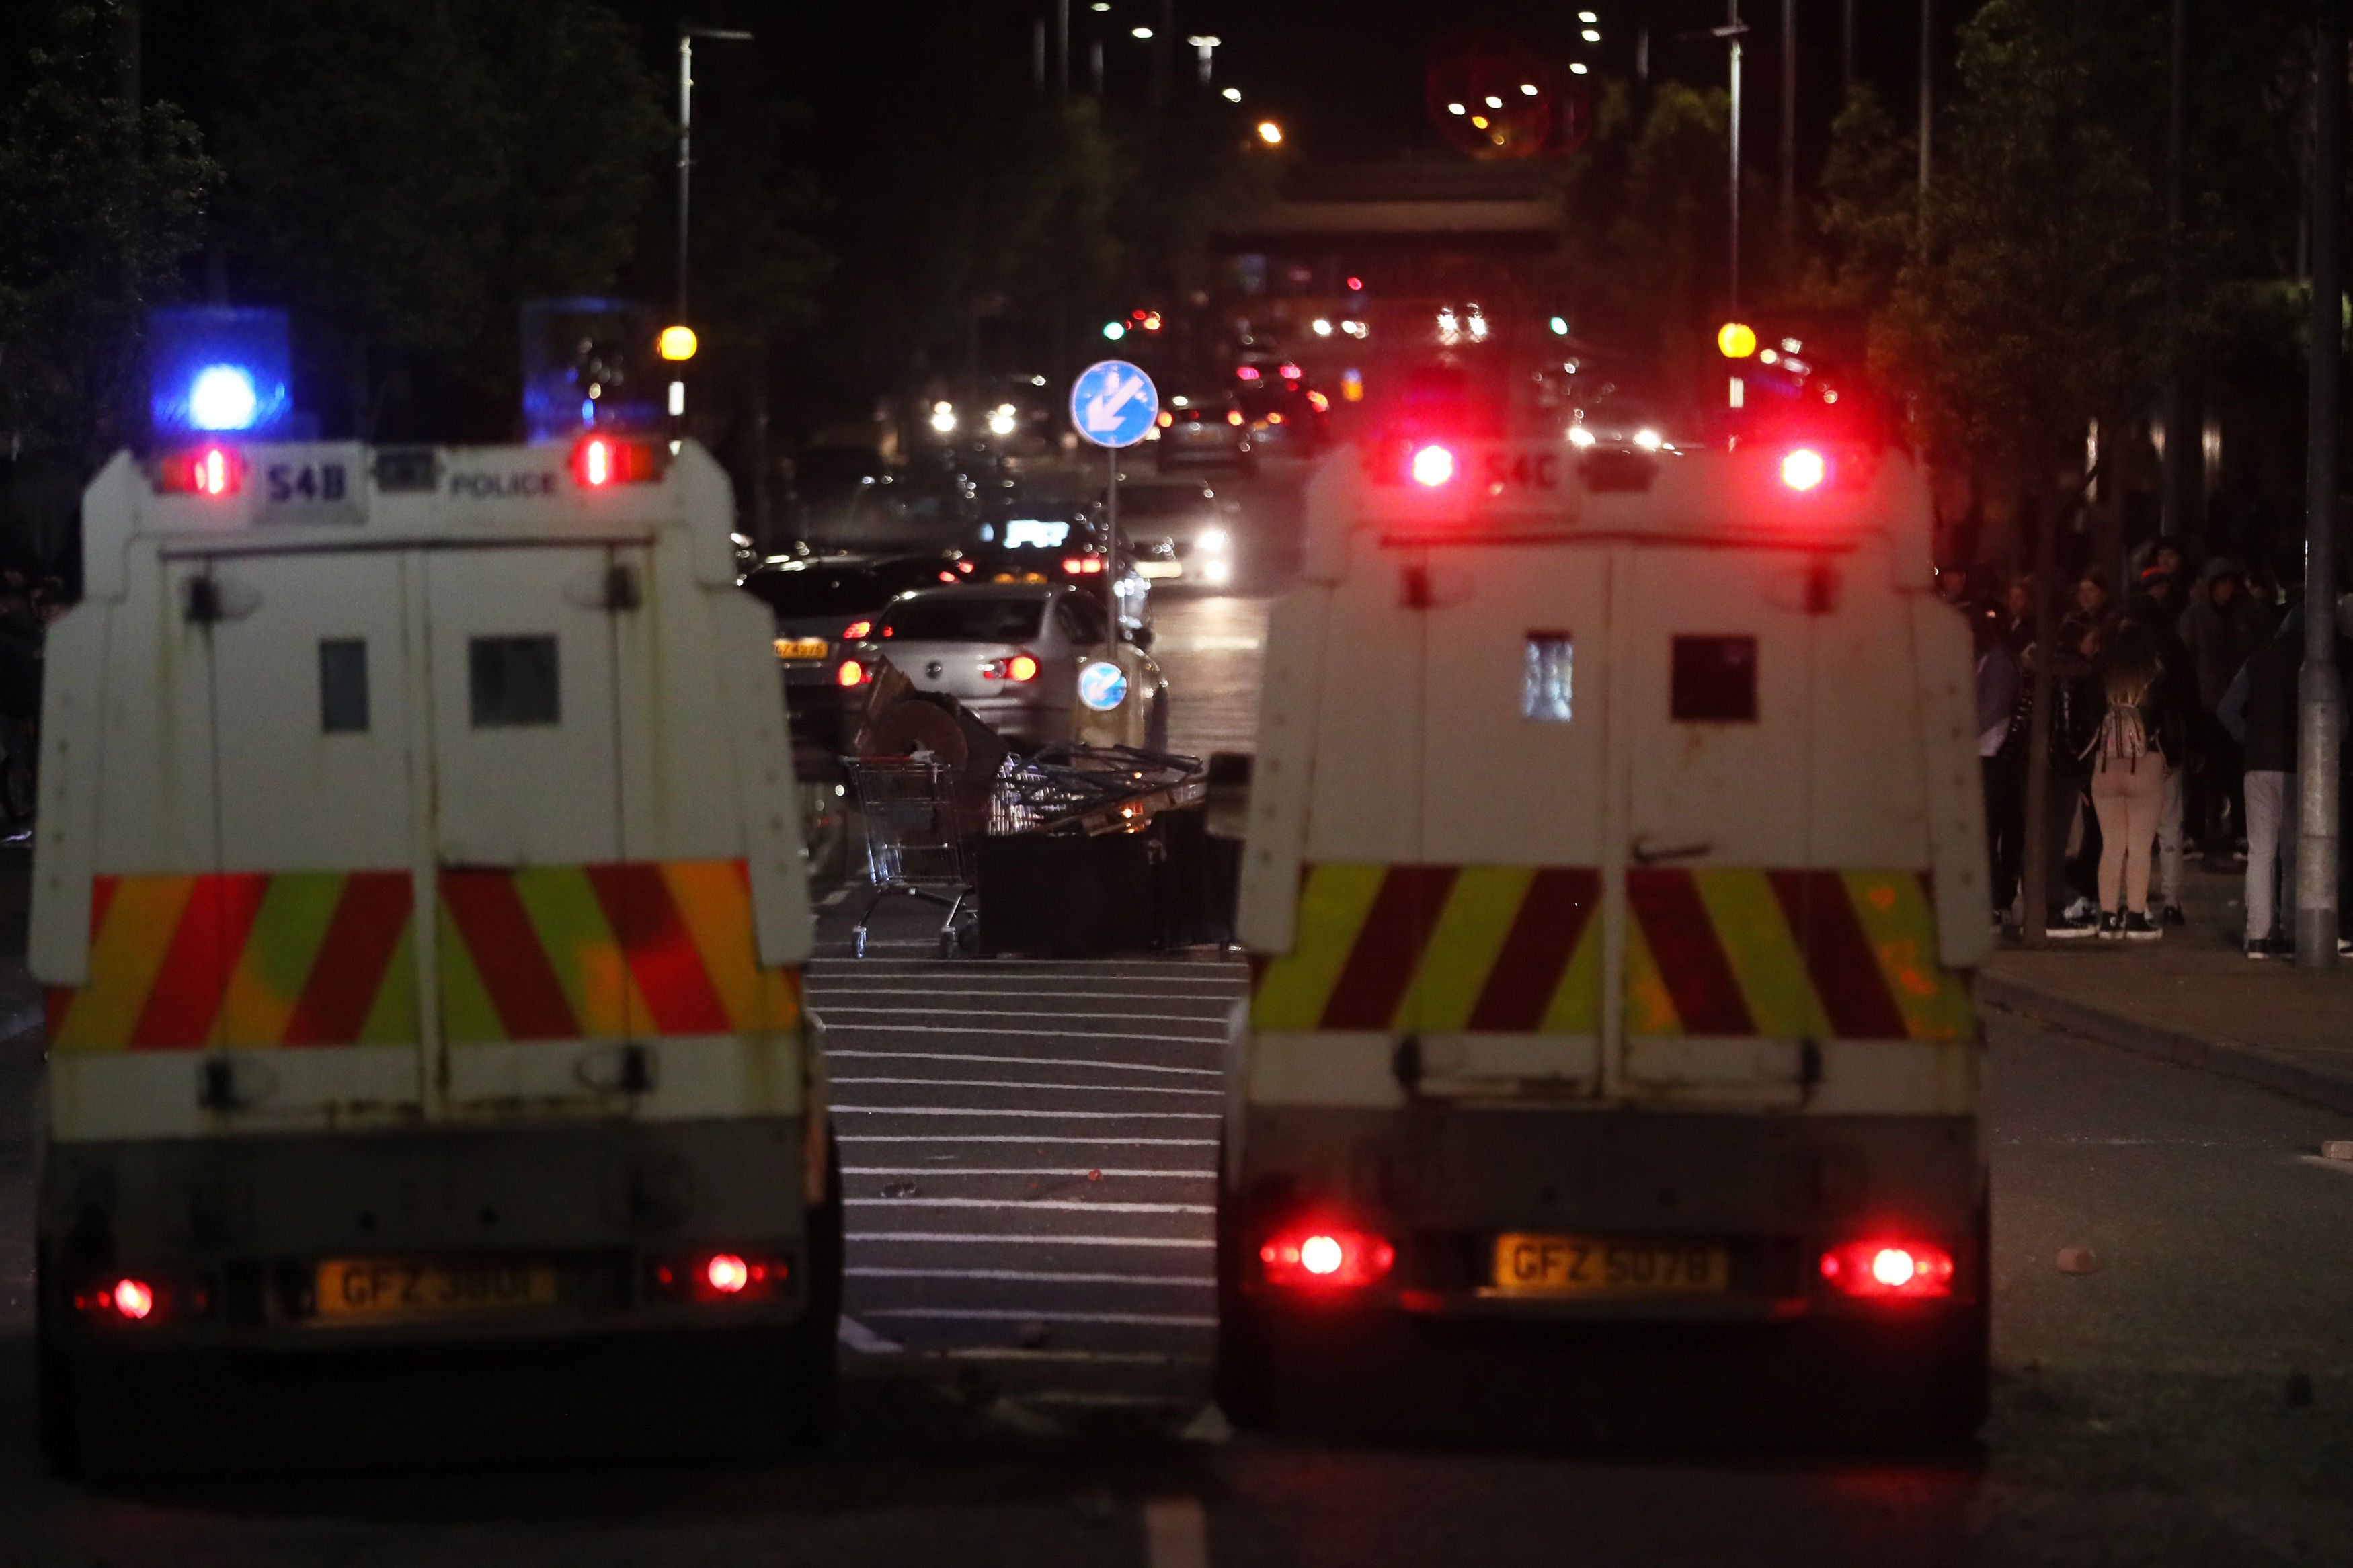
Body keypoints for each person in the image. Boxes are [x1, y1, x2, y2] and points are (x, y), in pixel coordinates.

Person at [2085, 619, 2183, 940]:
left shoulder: (2101, 675)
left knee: (2112, 845)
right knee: (2140, 846)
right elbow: (2170, 724)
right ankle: (2137, 915)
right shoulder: (2157, 677)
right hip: (2145, 763)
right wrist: (2172, 759)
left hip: (2105, 766)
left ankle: (2108, 917)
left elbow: (2089, 722)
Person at [2012, 620, 2105, 936]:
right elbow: (2082, 727)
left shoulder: (2031, 666)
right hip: (2063, 767)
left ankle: (2033, 906)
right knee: (2055, 839)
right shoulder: (2082, 675)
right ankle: (2050, 909)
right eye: (2092, 641)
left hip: (2031, 761)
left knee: (2035, 836)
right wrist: (2079, 764)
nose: (2095, 649)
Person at [2220, 611, 2305, 957]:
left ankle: (2257, 935)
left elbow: (2226, 709)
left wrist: (2251, 738)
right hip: (2298, 767)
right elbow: (2339, 721)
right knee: (2294, 854)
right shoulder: (2311, 666)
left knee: (2261, 852)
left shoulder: (2257, 663)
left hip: (2257, 766)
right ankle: (2288, 931)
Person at [2178, 557, 2262, 853]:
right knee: (2202, 775)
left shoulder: (2243, 617)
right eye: (2221, 582)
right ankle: (2196, 832)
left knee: (2235, 772)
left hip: (2236, 708)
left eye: (2230, 583)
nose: (2226, 588)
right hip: (2207, 708)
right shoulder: (2196, 616)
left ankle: (2238, 830)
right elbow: (2184, 660)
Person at [1974, 614, 2024, 928]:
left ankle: (1998, 900)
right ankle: (1996, 899)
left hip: (1994, 755)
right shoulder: (1987, 661)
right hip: (1988, 754)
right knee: (1992, 832)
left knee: (1994, 830)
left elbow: (1992, 711)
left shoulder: (1997, 663)